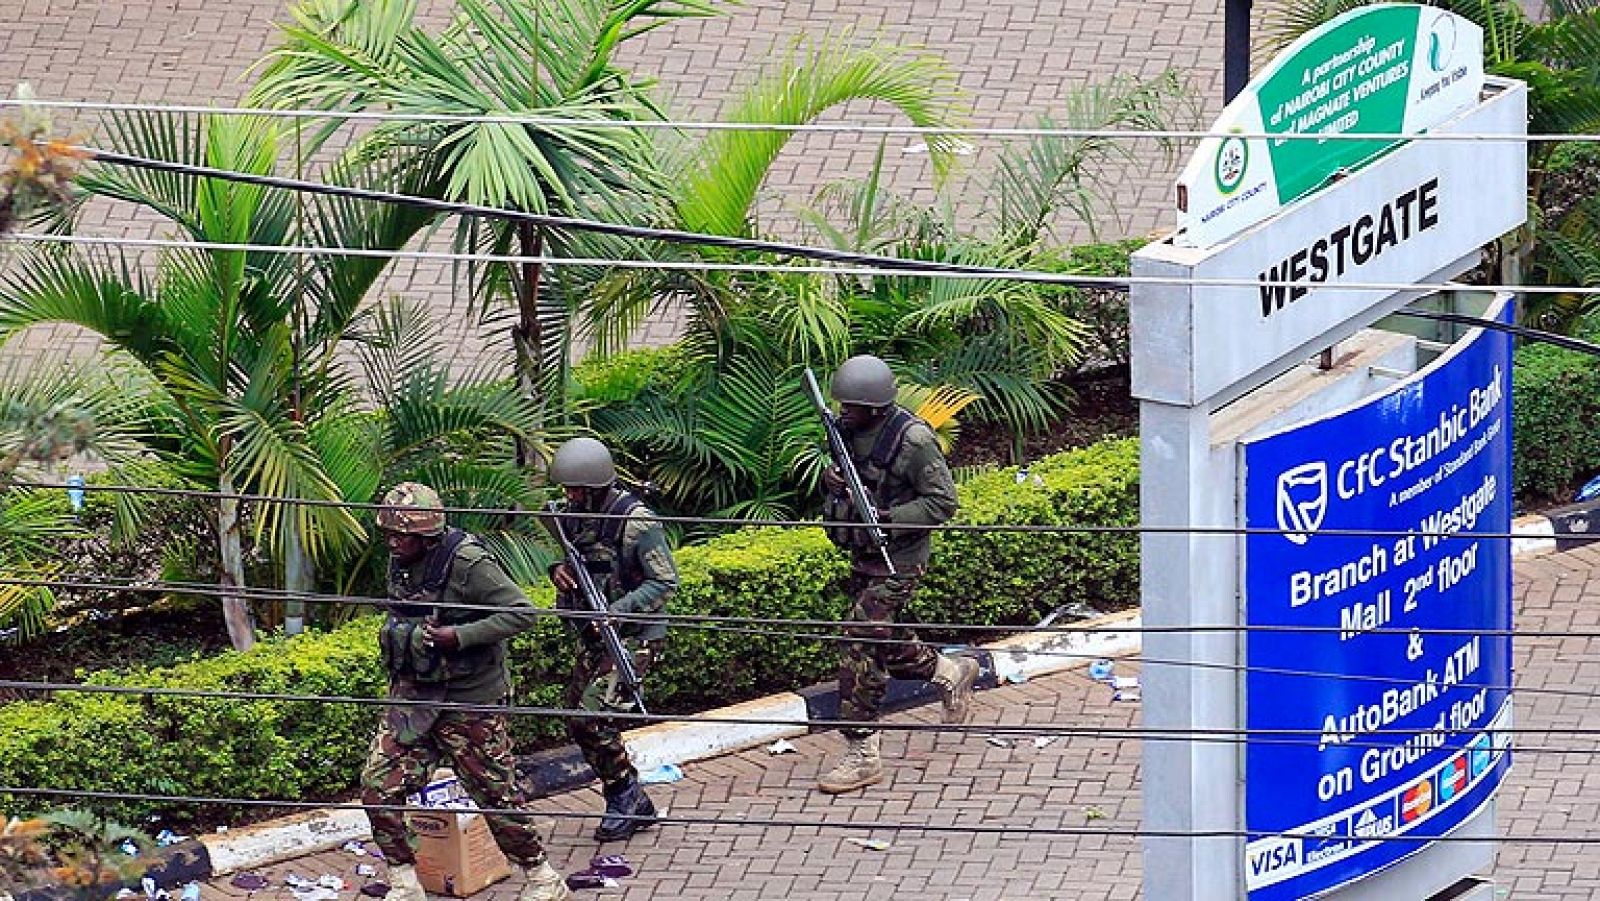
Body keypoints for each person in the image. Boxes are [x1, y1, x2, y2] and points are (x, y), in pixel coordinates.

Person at [363, 482, 571, 901]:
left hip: (470, 700)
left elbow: (521, 613)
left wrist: (459, 636)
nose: (392, 542)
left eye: (401, 535)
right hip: (415, 697)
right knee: (377, 785)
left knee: (495, 794)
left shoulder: (469, 562)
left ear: (427, 535)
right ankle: (405, 883)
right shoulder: (400, 559)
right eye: (389, 533)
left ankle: (542, 878)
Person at [815, 355, 978, 794]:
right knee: (883, 637)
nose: (844, 412)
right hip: (862, 554)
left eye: (852, 406)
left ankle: (862, 751)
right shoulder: (847, 431)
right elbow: (847, 479)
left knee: (860, 636)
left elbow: (943, 503)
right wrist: (833, 482)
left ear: (876, 406)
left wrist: (886, 518)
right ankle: (950, 672)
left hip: (900, 559)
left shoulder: (914, 441)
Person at [546, 437, 677, 842]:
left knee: (592, 716)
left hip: (635, 637)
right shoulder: (572, 516)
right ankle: (633, 799)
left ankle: (625, 795)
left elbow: (664, 581)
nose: (569, 496)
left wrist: (619, 610)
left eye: (576, 489)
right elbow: (573, 559)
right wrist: (558, 571)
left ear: (597, 486)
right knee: (576, 717)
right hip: (595, 635)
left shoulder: (636, 522)